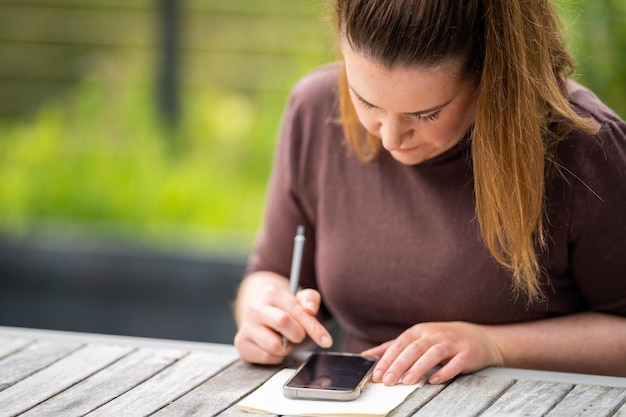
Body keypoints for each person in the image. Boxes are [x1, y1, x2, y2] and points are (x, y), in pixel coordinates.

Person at [233, 0, 626, 385]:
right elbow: (271, 273)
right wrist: (264, 313)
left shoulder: (584, 146)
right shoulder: (314, 106)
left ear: (492, 72)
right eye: (366, 100)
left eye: (425, 115)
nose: (389, 138)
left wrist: (494, 346)